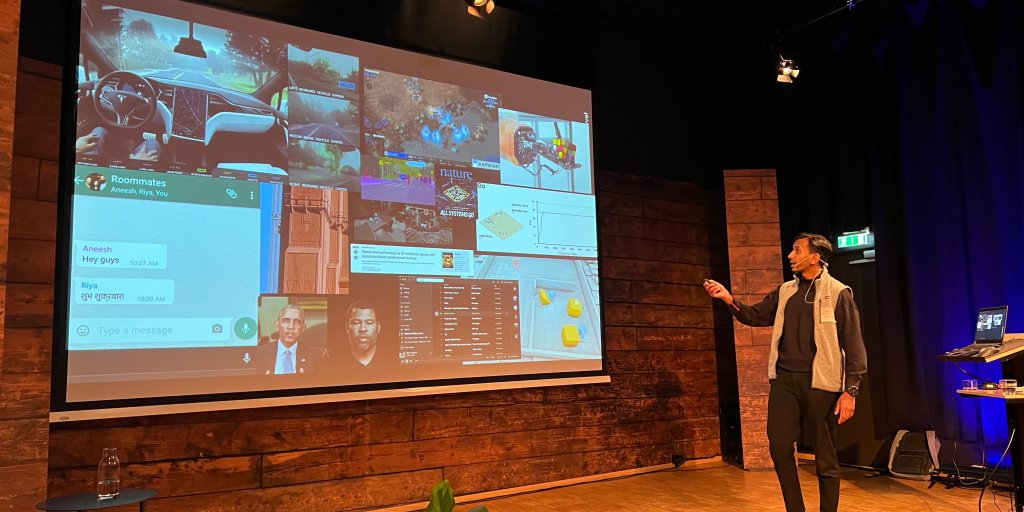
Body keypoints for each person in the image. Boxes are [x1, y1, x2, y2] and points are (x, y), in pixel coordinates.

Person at [704, 233, 867, 512]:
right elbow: (754, 315)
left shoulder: (839, 293)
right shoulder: (785, 291)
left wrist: (851, 391)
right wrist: (728, 299)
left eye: (797, 250)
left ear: (815, 257)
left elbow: (854, 346)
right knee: (779, 448)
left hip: (821, 384)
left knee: (825, 458)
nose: (790, 255)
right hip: (785, 382)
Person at [256, 304, 327, 375]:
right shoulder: (259, 353)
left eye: (297, 322)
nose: (291, 327)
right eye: (286, 321)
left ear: (303, 328)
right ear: (277, 325)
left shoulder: (316, 356)